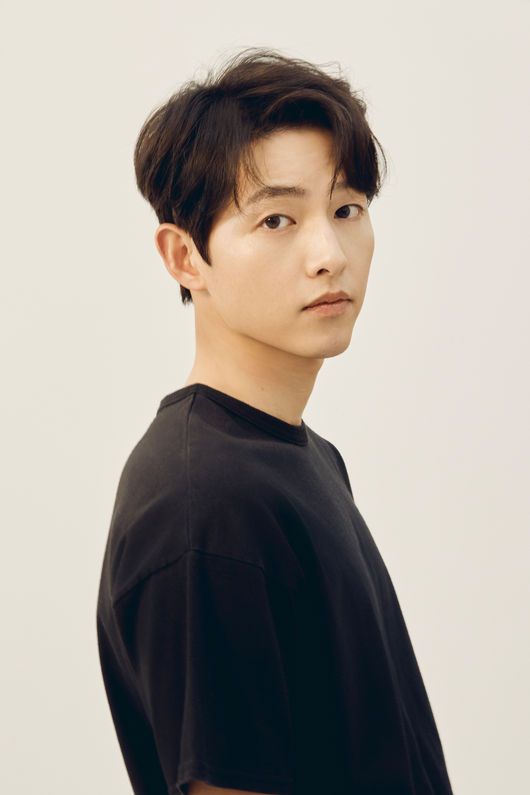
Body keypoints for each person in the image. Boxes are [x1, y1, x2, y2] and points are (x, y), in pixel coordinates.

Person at [96, 47, 454, 795]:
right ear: (184, 257)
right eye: (277, 219)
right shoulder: (206, 506)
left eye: (347, 210)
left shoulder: (300, 457)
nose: (329, 254)